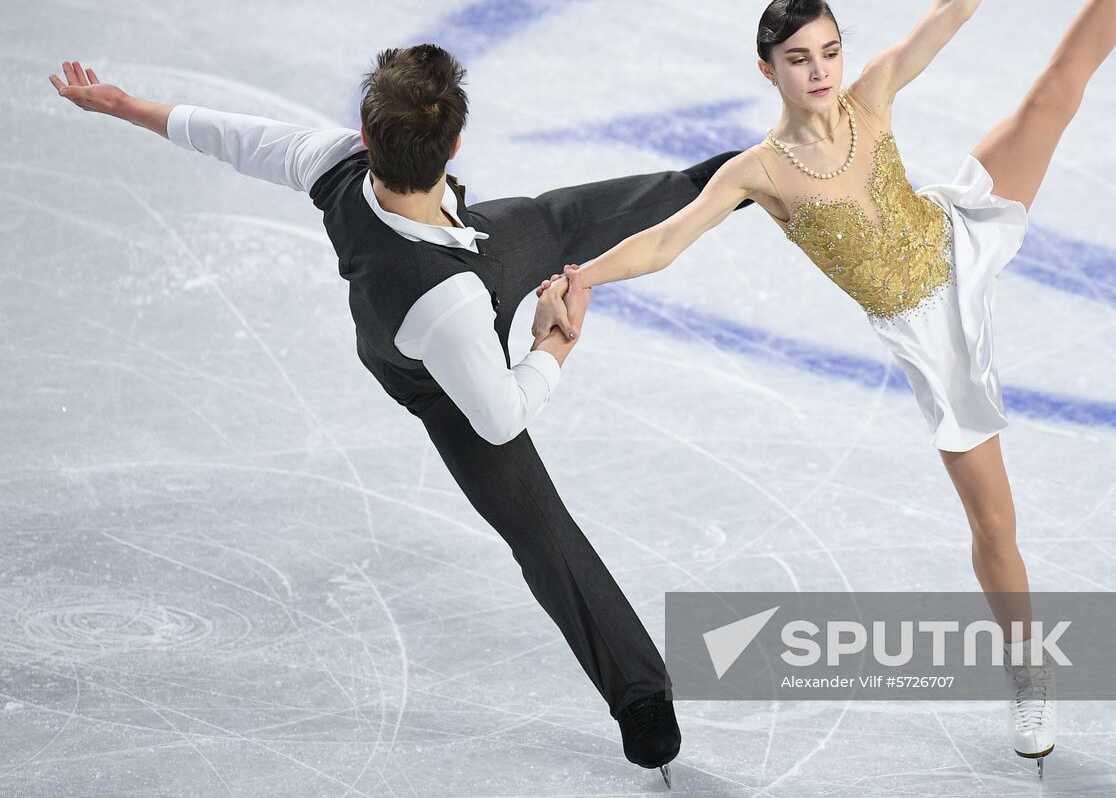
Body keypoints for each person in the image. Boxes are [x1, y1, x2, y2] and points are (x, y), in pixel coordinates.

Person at [538, 0, 1116, 778]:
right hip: (929, 330)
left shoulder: (870, 101)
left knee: (1055, 92)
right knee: (995, 524)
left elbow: (954, 6)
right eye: (797, 60)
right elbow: (666, 241)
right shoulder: (758, 173)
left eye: (827, 51)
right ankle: (1028, 677)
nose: (817, 72)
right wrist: (589, 275)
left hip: (955, 230)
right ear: (768, 68)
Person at [49, 44, 754, 788]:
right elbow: (500, 418)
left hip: (460, 260)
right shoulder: (444, 307)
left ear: (364, 133)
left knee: (553, 217)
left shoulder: (336, 164)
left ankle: (728, 179)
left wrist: (130, 108)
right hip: (429, 367)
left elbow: (241, 138)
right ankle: (640, 699)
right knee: (539, 528)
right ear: (454, 145)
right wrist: (554, 340)